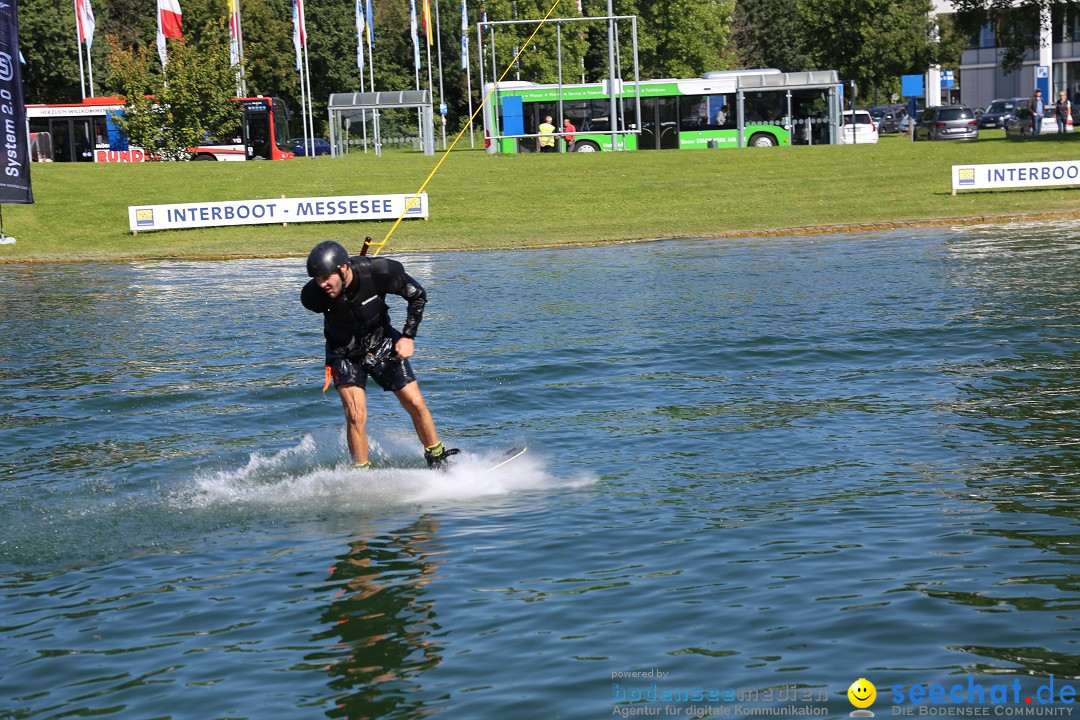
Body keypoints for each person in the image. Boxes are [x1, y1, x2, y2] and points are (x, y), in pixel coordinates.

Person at [301, 241, 458, 470]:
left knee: (414, 401)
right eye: (317, 278)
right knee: (355, 415)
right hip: (344, 353)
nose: (322, 284)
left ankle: (437, 457)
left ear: (343, 268)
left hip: (383, 343)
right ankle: (362, 473)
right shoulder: (312, 296)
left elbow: (418, 296)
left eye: (326, 277)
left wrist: (408, 336)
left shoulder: (379, 272)